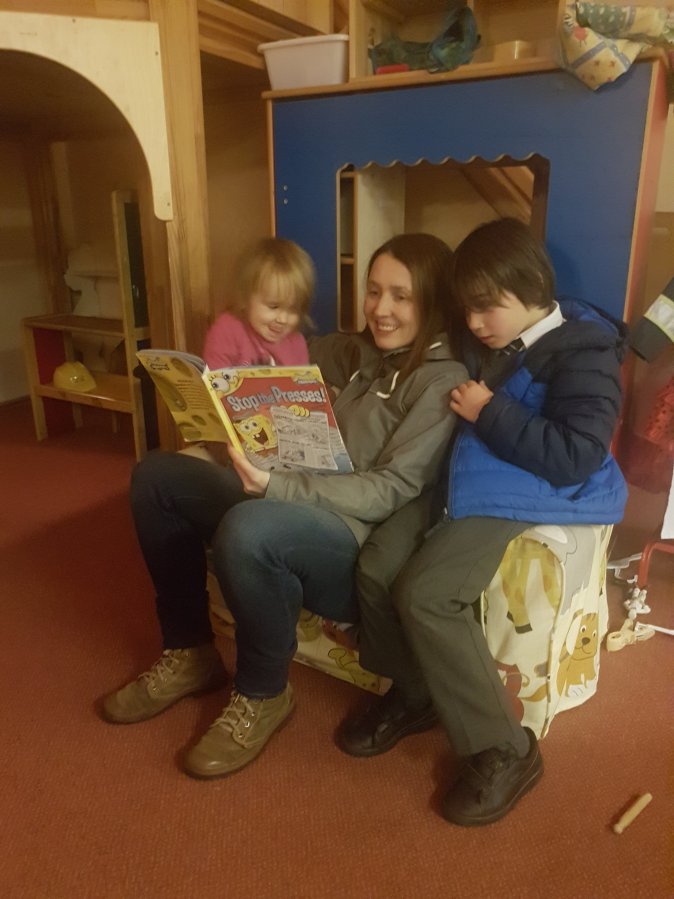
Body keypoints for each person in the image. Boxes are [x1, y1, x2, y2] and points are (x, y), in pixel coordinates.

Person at [101, 232, 468, 780]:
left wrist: (277, 486)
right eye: (373, 291)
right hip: (290, 490)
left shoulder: (443, 381)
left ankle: (263, 693)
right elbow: (276, 348)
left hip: (351, 535)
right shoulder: (362, 351)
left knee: (249, 528)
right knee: (157, 478)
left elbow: (390, 490)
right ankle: (189, 652)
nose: (380, 309)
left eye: (401, 296)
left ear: (433, 302)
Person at [337, 217, 628, 827]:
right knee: (377, 563)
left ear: (532, 289)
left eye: (486, 306)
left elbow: (577, 455)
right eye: (466, 308)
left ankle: (507, 748)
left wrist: (490, 411)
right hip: (468, 477)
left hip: (528, 491)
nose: (473, 322)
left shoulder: (584, 351)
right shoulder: (494, 337)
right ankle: (414, 690)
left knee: (428, 593)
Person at [202, 237, 313, 369]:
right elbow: (215, 377)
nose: (283, 319)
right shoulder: (227, 330)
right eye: (273, 306)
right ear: (245, 298)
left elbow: (303, 380)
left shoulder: (296, 342)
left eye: (293, 310)